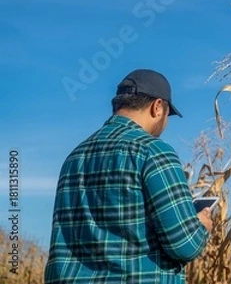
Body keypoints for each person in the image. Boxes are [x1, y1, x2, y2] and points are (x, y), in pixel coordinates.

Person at [45, 69, 212, 283]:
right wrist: (201, 225)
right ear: (157, 106)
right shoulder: (154, 151)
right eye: (167, 114)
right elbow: (184, 245)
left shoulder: (73, 158)